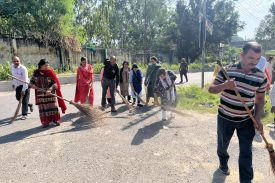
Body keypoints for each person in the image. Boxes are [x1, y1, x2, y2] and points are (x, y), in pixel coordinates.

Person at [208, 42, 267, 183]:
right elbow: (211, 89)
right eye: (251, 58)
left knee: (246, 152)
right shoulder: (227, 71)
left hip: (246, 120)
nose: (254, 62)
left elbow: (260, 99)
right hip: (225, 118)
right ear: (242, 55)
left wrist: (258, 118)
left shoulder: (261, 77)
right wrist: (225, 85)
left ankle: (246, 180)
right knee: (222, 145)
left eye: (257, 59)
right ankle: (223, 163)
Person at [30, 59, 67, 128]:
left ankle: (56, 120)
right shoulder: (36, 73)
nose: (47, 67)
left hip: (50, 94)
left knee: (53, 107)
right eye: (45, 66)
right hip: (40, 95)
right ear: (41, 66)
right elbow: (31, 82)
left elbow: (55, 84)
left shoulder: (50, 72)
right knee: (43, 109)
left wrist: (50, 89)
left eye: (48, 65)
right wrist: (32, 85)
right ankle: (45, 122)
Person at [11, 56, 33, 120]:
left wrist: (23, 90)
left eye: (17, 61)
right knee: (18, 98)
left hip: (25, 85)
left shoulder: (23, 68)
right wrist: (13, 83)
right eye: (14, 61)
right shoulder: (12, 67)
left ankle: (24, 114)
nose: (16, 62)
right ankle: (30, 105)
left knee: (24, 100)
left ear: (20, 61)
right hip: (18, 86)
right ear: (12, 61)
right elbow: (13, 76)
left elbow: (25, 80)